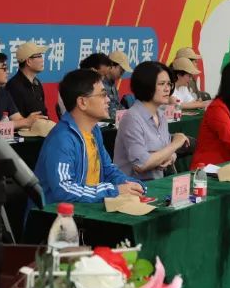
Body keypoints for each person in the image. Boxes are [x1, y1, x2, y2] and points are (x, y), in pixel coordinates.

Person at [33, 68, 146, 206]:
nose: (108, 100)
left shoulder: (94, 130)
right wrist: (114, 190)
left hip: (84, 210)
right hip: (54, 216)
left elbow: (108, 169)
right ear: (82, 102)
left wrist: (131, 184)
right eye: (102, 95)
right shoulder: (62, 139)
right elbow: (64, 190)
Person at [114, 62, 189, 180]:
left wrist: (171, 157)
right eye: (161, 84)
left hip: (156, 184)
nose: (167, 89)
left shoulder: (161, 115)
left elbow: (166, 151)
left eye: (169, 84)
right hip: (133, 187)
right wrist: (176, 144)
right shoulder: (132, 118)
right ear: (146, 85)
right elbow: (141, 164)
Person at [6, 41, 50, 118]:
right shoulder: (14, 86)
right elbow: (16, 120)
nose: (42, 60)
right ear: (28, 61)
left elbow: (44, 112)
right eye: (39, 56)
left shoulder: (37, 83)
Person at [104, 51, 131, 120]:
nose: (122, 73)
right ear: (112, 66)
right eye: (121, 70)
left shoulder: (112, 83)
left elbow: (117, 105)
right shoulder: (98, 84)